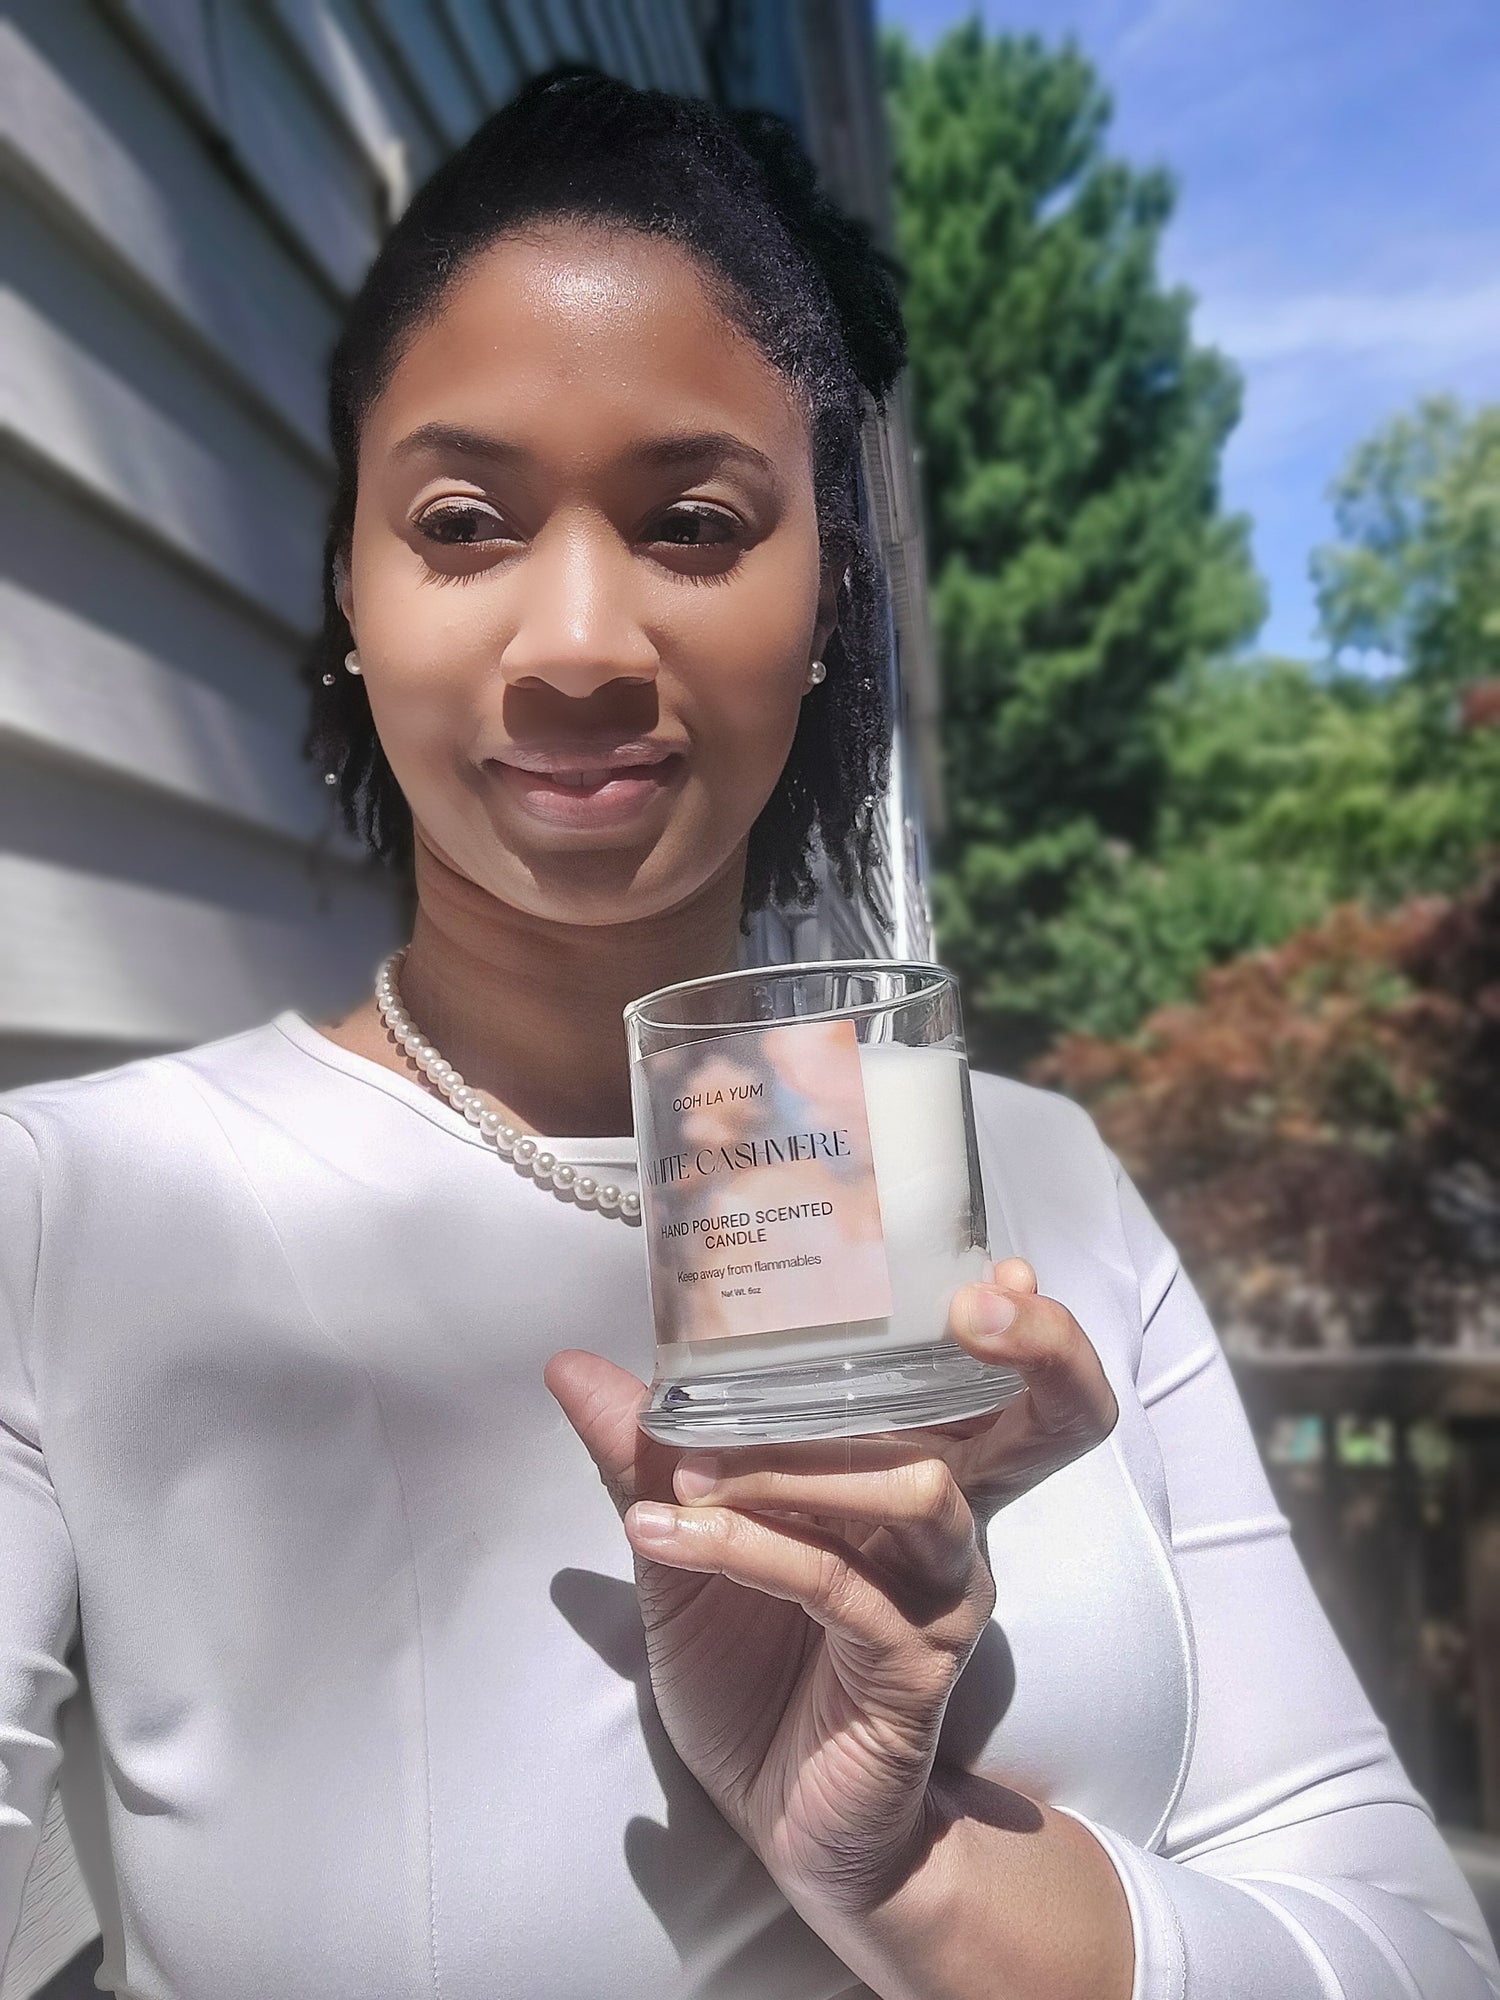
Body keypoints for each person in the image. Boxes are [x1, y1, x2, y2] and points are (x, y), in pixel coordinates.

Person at [0, 63, 1495, 2000]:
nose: (579, 641)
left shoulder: (1037, 1173)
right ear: (351, 600)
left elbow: (1406, 1950)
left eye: (695, 521)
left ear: (822, 601)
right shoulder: (69, 1207)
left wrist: (912, 1873)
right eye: (463, 521)